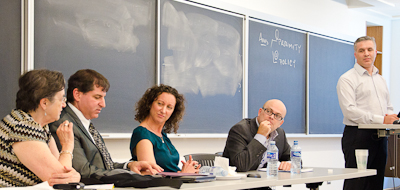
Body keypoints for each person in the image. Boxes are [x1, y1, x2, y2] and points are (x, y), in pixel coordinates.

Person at [49, 69, 162, 179]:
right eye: (97, 97)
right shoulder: (64, 124)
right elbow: (83, 171)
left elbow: (105, 165)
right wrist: (128, 176)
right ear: (77, 94)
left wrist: (129, 166)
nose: (103, 104)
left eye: (103, 98)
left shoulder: (84, 122)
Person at [337, 36, 399, 190]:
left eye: (369, 49)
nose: (366, 53)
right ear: (355, 54)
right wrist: (382, 119)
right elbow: (350, 111)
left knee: (376, 183)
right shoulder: (347, 79)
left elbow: (388, 107)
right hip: (358, 136)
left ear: (376, 52)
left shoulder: (381, 79)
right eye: (361, 50)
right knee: (357, 183)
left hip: (380, 137)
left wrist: (393, 120)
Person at [0, 69, 80, 187]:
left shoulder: (40, 127)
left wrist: (75, 176)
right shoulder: (23, 128)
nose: (64, 104)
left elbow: (63, 173)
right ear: (44, 103)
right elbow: (63, 183)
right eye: (61, 99)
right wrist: (67, 146)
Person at [129, 84, 199, 173]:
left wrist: (189, 169)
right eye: (160, 104)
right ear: (149, 104)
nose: (163, 110)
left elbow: (168, 170)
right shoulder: (142, 133)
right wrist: (183, 174)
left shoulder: (162, 134)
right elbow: (151, 173)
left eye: (169, 107)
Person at [223, 99, 291, 172]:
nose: (271, 117)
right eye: (268, 111)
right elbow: (241, 166)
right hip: (239, 181)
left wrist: (289, 164)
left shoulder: (280, 134)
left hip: (265, 181)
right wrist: (261, 135)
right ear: (260, 112)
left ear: (280, 123)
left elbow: (295, 158)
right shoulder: (239, 130)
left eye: (277, 116)